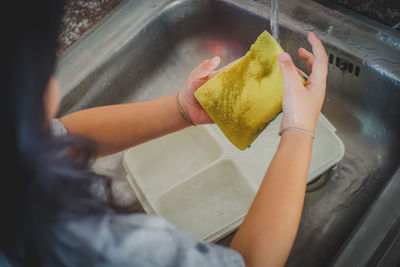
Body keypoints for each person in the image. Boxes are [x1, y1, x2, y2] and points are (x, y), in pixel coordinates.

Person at [1, 0, 328, 266]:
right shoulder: (97, 248)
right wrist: (300, 129)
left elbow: (63, 136)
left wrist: (182, 109)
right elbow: (250, 260)